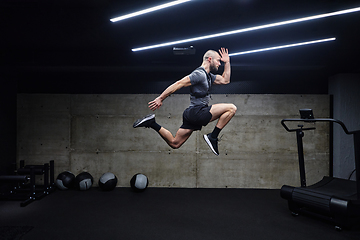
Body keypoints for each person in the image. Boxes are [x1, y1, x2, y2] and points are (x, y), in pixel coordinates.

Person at [133, 48, 236, 155]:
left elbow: (225, 80)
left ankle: (152, 123)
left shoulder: (208, 76)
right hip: (198, 112)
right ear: (210, 59)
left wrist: (227, 62)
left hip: (192, 114)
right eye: (218, 61)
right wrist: (160, 98)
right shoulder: (199, 74)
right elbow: (179, 83)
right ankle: (213, 137)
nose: (220, 63)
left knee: (175, 143)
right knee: (231, 108)